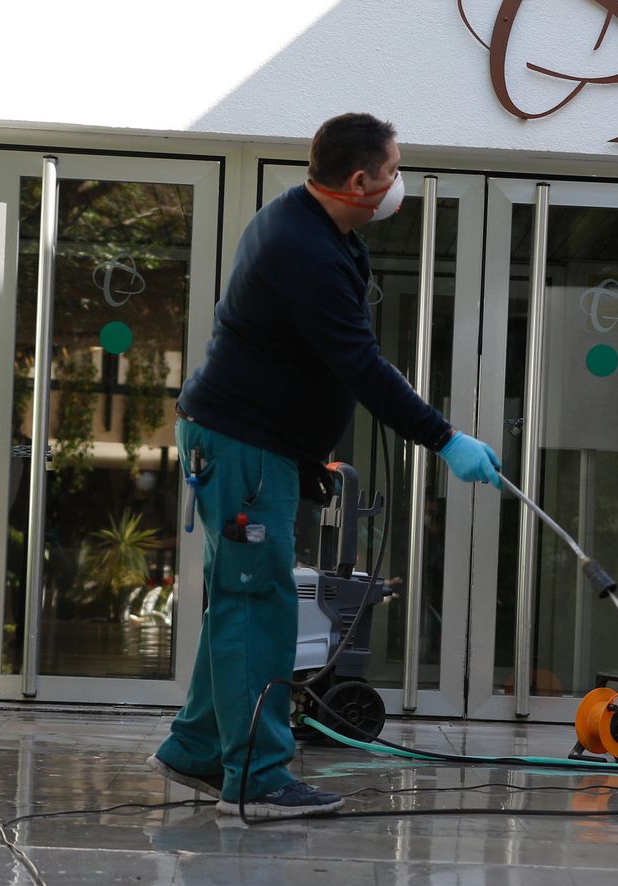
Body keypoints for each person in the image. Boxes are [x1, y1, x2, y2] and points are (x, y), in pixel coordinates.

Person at [146, 113, 501, 818]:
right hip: (242, 445)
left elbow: (316, 355)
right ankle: (258, 778)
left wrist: (306, 450)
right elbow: (361, 367)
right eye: (394, 171)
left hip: (257, 446)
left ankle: (197, 749)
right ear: (360, 180)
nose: (399, 183)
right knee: (260, 606)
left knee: (242, 605)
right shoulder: (301, 249)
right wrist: (444, 438)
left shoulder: (319, 231)